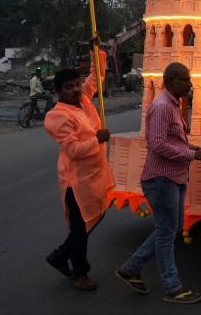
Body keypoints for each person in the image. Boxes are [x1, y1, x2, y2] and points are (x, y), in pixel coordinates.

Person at [116, 62, 201, 305]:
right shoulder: (161, 107)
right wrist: (193, 155)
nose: (190, 84)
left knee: (169, 229)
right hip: (162, 179)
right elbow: (158, 145)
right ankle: (172, 287)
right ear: (170, 81)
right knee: (166, 234)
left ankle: (132, 267)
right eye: (185, 80)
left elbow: (173, 141)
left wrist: (194, 149)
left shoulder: (172, 105)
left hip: (174, 177)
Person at [43, 53, 114, 291]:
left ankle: (60, 255)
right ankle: (79, 273)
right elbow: (73, 150)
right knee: (80, 228)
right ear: (59, 91)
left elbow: (97, 77)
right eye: (68, 87)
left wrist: (98, 51)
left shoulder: (83, 100)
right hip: (77, 180)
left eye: (76, 85)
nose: (75, 90)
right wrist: (97, 138)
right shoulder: (57, 116)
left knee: (93, 219)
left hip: (95, 175)